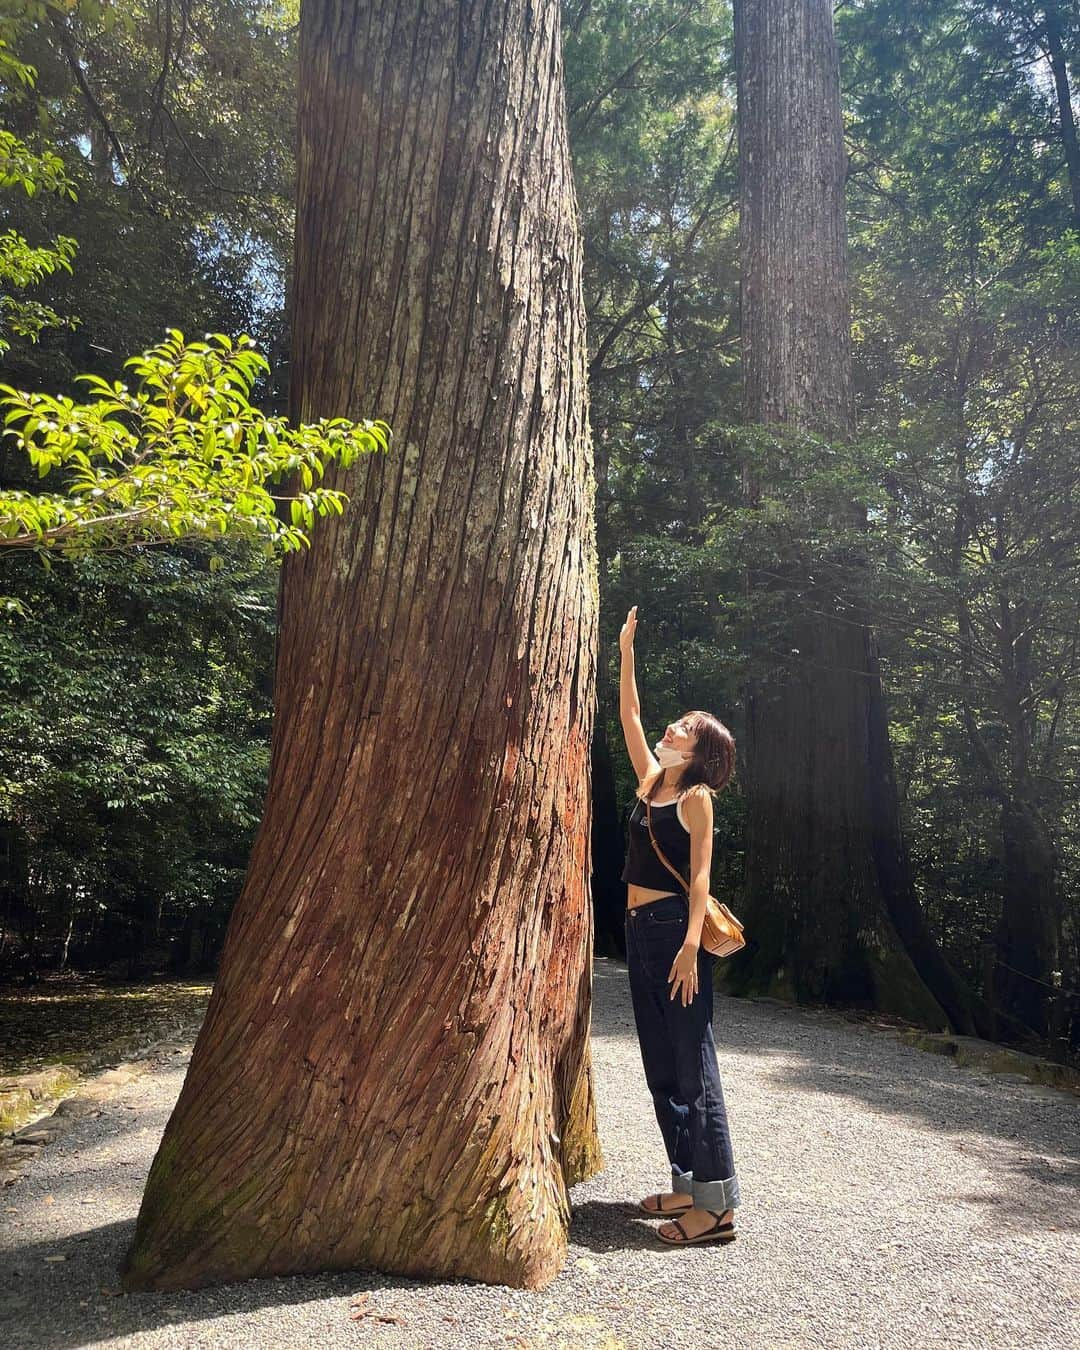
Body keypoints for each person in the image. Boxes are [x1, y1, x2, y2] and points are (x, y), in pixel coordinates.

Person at [618, 603, 741, 1247]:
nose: (673, 728)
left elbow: (699, 876)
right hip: (640, 931)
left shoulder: (695, 798)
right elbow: (630, 716)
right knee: (660, 1064)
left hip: (673, 934)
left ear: (700, 751)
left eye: (685, 728)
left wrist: (692, 945)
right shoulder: (650, 783)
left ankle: (717, 1209)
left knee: (693, 1063)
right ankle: (687, 1182)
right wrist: (626, 650)